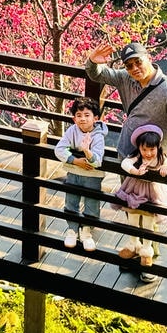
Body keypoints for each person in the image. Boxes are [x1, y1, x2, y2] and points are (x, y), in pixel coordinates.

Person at [85, 41, 167, 190]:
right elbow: (97, 74)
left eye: (138, 62)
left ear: (148, 57)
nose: (134, 68)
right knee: (128, 202)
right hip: (126, 154)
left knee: (153, 207)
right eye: (129, 65)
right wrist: (92, 61)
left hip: (152, 160)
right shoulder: (125, 78)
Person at [113, 124, 167, 281]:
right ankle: (133, 245)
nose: (148, 153)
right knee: (132, 217)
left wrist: (165, 167)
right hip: (134, 189)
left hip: (152, 193)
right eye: (144, 149)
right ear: (139, 148)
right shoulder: (137, 157)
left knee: (148, 221)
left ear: (157, 147)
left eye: (151, 149)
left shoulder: (160, 157)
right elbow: (125, 163)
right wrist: (135, 171)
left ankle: (146, 251)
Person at [53, 96, 108, 252]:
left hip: (92, 176)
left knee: (91, 202)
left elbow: (97, 161)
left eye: (87, 115)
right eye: (79, 115)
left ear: (95, 118)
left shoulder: (98, 135)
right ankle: (72, 229)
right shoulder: (72, 131)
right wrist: (75, 160)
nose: (83, 119)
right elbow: (59, 149)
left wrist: (86, 151)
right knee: (71, 199)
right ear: (74, 118)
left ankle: (86, 231)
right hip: (73, 172)